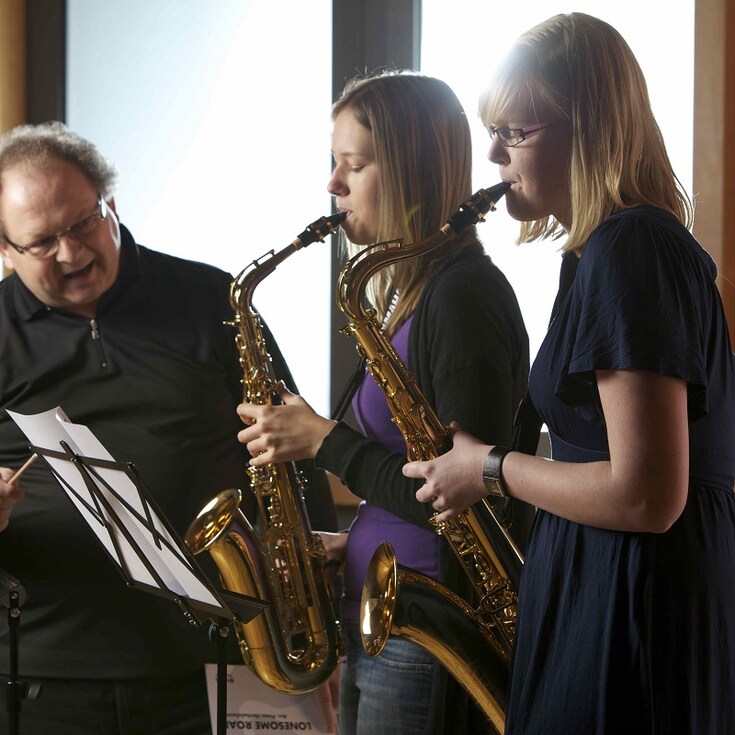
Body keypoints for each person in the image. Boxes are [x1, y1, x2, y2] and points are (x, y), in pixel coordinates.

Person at [403, 13, 735, 735]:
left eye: (513, 132)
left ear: (589, 129)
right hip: (611, 583)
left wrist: (488, 467)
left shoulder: (630, 248)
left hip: (632, 600)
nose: (492, 154)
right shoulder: (597, 254)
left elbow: (646, 495)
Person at [0, 121, 338, 735]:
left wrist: (319, 620)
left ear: (111, 203)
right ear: (5, 250)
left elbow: (293, 456)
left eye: (83, 223)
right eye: (42, 242)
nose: (71, 253)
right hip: (45, 672)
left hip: (223, 659)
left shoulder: (211, 297)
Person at [236, 71, 530, 735]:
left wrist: (324, 441)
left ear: (410, 172)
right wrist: (354, 544)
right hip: (381, 621)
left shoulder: (462, 296)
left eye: (355, 164)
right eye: (333, 163)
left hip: (424, 635)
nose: (333, 185)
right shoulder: (406, 292)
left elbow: (468, 504)